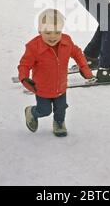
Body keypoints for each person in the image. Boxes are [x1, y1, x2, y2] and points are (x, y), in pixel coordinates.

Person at [18, 9, 93, 137]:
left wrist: (84, 68)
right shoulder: (34, 47)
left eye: (57, 32)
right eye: (47, 32)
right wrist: (24, 79)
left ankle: (59, 123)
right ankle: (32, 112)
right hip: (42, 89)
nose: (53, 36)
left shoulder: (66, 42)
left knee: (61, 109)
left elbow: (77, 53)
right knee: (44, 110)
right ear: (40, 31)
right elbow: (24, 65)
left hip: (61, 87)